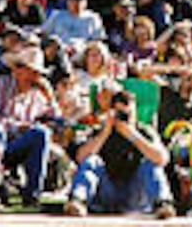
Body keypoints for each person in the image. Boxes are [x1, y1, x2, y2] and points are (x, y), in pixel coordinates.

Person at [64, 90, 175, 218]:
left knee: (151, 164)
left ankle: (163, 204)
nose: (125, 118)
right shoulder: (101, 130)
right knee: (92, 160)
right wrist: (105, 133)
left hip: (134, 192)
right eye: (120, 113)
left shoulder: (144, 131)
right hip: (107, 190)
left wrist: (132, 135)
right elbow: (81, 157)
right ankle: (78, 200)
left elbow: (162, 159)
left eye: (128, 114)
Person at [0, 47, 59, 206]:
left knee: (41, 133)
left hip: (16, 147)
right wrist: (17, 127)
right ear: (18, 70)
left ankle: (32, 195)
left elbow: (57, 120)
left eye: (37, 74)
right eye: (32, 72)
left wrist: (50, 96)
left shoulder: (36, 94)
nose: (35, 78)